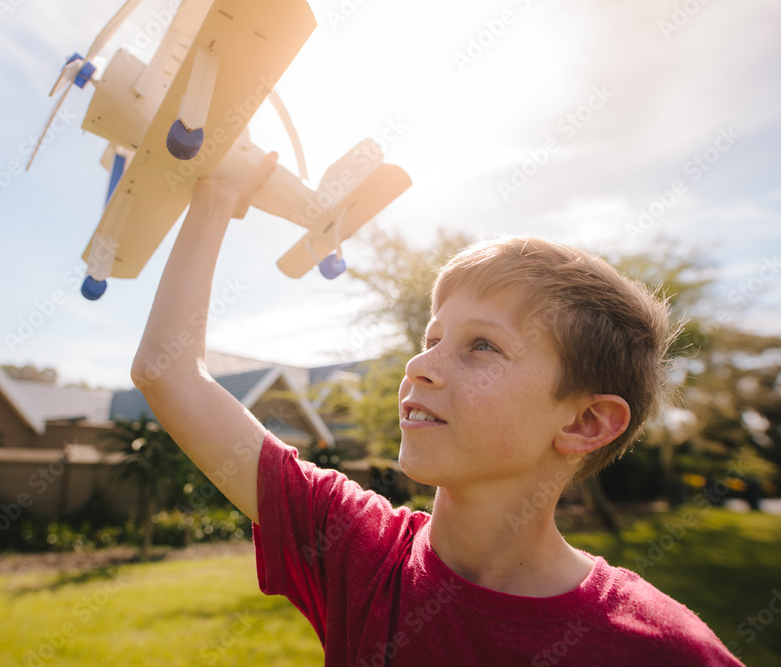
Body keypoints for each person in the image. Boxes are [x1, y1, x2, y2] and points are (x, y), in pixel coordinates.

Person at [131, 153, 742, 666]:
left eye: (482, 346)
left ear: (585, 423)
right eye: (431, 340)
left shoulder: (663, 650)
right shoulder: (356, 551)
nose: (419, 367)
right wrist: (216, 193)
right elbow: (166, 372)